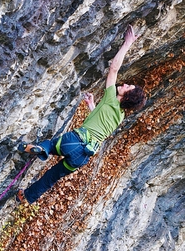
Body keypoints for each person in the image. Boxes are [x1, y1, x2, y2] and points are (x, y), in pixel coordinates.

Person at [16, 24, 147, 204]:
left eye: (127, 88)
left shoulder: (111, 97)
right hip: (83, 156)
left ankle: (43, 149)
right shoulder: (120, 116)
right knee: (52, 177)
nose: (124, 85)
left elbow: (114, 69)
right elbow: (100, 124)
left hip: (74, 140)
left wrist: (127, 43)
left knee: (53, 144)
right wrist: (93, 105)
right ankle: (27, 197)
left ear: (125, 97)